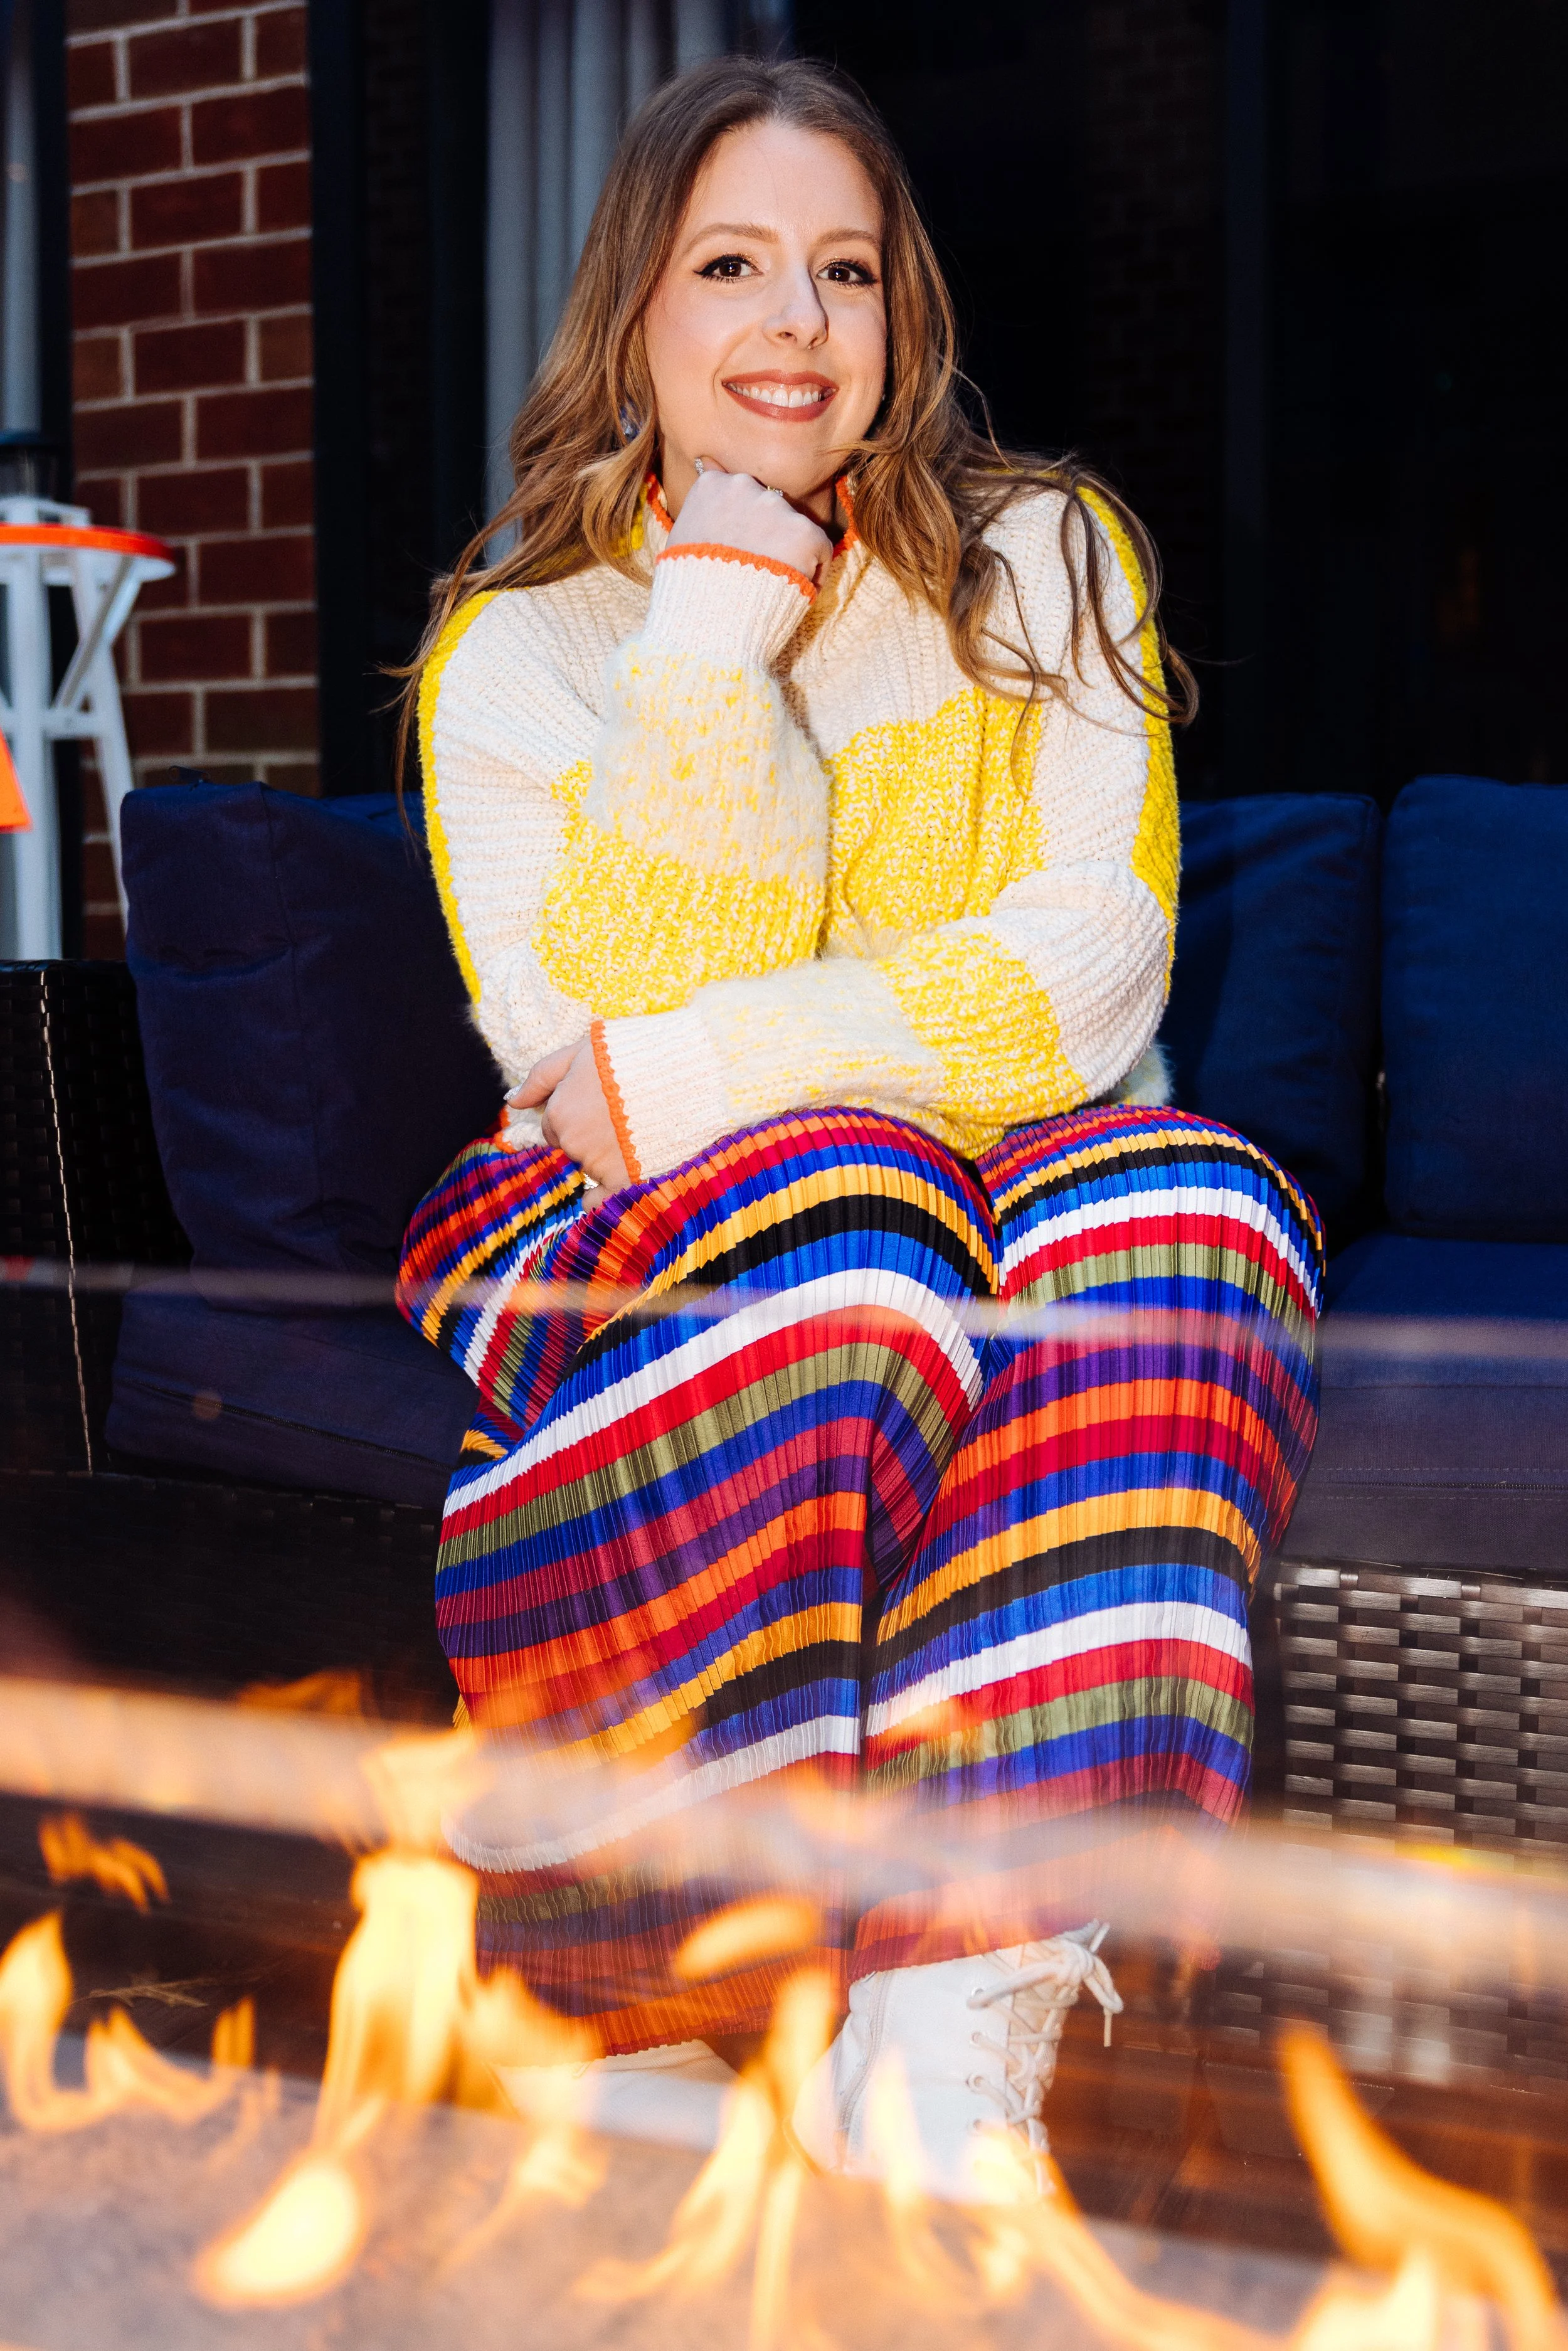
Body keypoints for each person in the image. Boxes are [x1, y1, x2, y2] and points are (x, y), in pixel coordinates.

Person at [398, 55, 1322, 2200]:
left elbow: (1092, 960)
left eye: (846, 271)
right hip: (611, 1225)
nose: (794, 323)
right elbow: (576, 1050)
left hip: (1007, 1167)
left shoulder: (1043, 562)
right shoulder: (517, 654)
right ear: (634, 309)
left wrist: (715, 1065)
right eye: (730, 265)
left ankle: (948, 2005)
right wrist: (716, 626)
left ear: (905, 317)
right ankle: (640, 1967)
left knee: (1199, 1202)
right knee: (848, 1214)